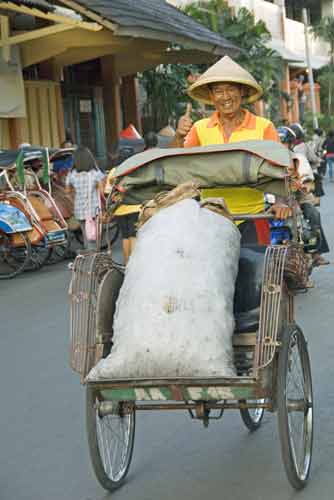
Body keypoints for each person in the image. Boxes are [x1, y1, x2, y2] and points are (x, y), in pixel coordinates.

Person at [172, 55, 291, 245]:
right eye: (218, 91)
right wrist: (178, 136)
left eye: (231, 89)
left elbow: (280, 170)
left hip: (253, 216)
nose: (225, 97)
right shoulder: (200, 128)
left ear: (242, 91)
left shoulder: (263, 127)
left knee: (258, 273)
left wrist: (281, 201)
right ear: (211, 96)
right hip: (209, 217)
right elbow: (178, 164)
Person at [278, 126, 330, 268]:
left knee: (313, 214)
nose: (281, 145)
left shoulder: (297, 158)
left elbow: (306, 177)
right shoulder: (269, 159)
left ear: (290, 143)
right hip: (275, 200)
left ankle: (315, 253)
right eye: (278, 142)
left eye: (283, 142)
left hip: (297, 197)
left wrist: (304, 183)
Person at [106, 132, 159, 264]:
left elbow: (107, 191)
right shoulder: (136, 169)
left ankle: (126, 262)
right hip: (135, 207)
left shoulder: (114, 171)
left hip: (119, 209)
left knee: (125, 236)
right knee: (133, 235)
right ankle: (134, 264)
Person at [65, 146, 105, 251]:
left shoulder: (72, 175)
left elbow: (68, 191)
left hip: (80, 209)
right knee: (95, 236)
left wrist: (76, 194)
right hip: (93, 209)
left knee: (86, 234)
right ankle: (94, 258)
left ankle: (88, 255)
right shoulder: (95, 173)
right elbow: (102, 192)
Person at [290, 123, 324, 205]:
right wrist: (318, 160)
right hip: (300, 173)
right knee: (318, 178)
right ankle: (316, 200)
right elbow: (313, 158)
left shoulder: (286, 147)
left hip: (287, 174)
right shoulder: (304, 145)